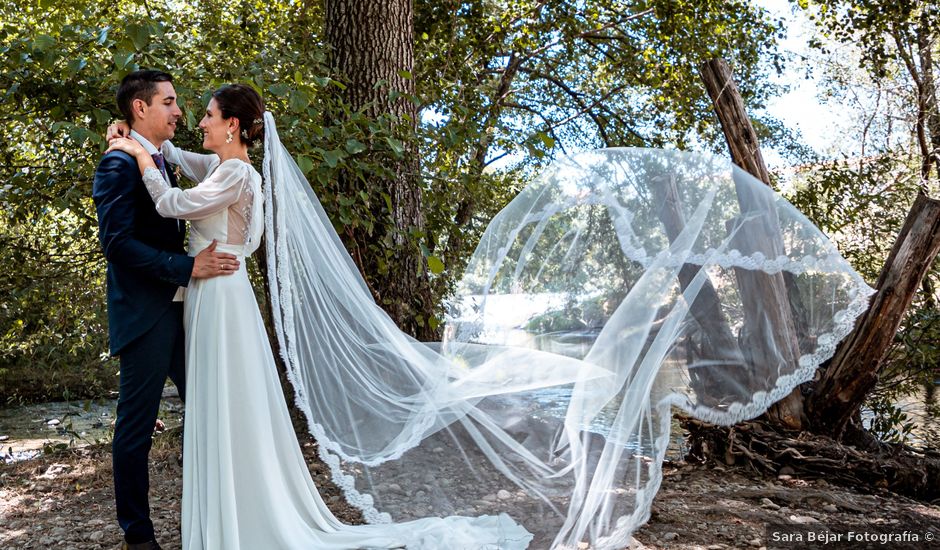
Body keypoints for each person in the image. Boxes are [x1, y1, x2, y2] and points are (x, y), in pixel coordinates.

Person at [106, 83, 874, 549]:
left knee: (231, 413)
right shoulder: (232, 165)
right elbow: (188, 172)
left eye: (202, 114)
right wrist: (146, 147)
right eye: (184, 111)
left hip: (223, 300)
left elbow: (174, 197)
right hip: (214, 303)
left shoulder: (235, 170)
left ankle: (243, 524)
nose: (195, 120)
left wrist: (138, 155)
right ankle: (223, 518)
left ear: (234, 127)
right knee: (223, 413)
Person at [92, 70, 242, 550]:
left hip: (187, 310)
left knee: (208, 408)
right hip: (146, 312)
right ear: (141, 108)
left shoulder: (160, 159)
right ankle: (138, 536)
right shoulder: (117, 165)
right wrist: (186, 267)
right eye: (170, 102)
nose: (180, 111)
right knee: (136, 427)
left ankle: (212, 513)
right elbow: (116, 245)